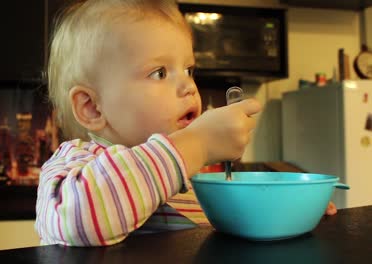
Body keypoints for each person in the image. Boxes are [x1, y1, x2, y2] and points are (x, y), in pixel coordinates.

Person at [34, 0, 330, 247]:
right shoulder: (75, 163)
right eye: (160, 73)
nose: (189, 87)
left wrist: (289, 211)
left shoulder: (181, 176)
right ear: (92, 107)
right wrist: (197, 144)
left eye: (188, 70)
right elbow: (77, 220)